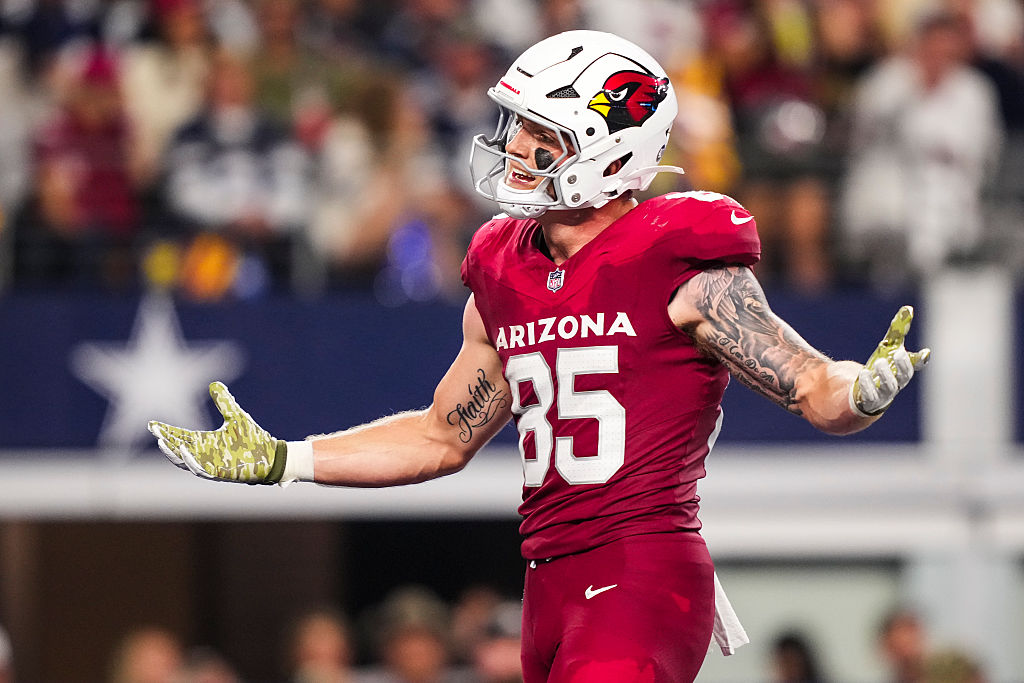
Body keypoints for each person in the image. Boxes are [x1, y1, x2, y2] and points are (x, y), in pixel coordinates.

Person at [149, 30, 930, 683]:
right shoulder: (505, 266)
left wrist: (862, 389)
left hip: (641, 571)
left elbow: (811, 386)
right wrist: (287, 459)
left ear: (610, 152)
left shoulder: (679, 261)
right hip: (548, 581)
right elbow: (441, 435)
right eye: (517, 125)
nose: (515, 147)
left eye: (543, 134)